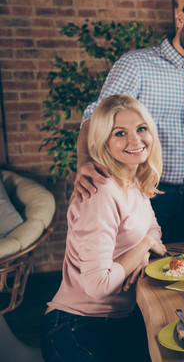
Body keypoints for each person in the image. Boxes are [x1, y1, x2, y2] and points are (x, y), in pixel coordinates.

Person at [74, 0, 184, 244]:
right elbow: (96, 116)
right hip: (147, 192)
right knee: (144, 270)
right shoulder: (136, 65)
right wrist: (84, 161)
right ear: (181, 19)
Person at [43, 95, 167, 362]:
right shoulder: (102, 190)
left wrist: (141, 255)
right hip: (77, 326)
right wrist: (144, 246)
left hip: (116, 320)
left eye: (141, 129)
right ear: (103, 142)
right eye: (120, 133)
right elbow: (98, 286)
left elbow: (155, 228)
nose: (135, 141)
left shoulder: (133, 180)